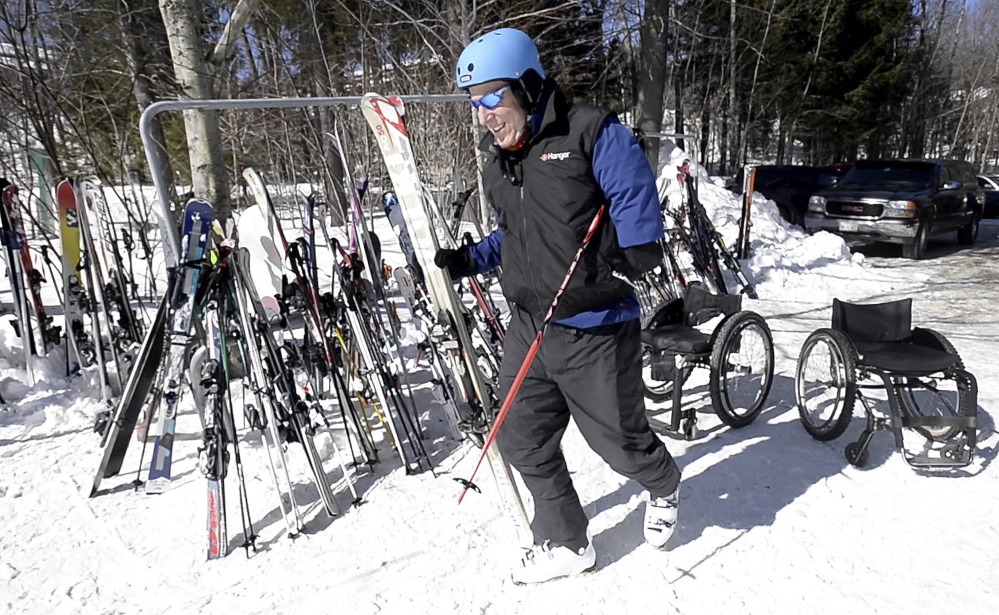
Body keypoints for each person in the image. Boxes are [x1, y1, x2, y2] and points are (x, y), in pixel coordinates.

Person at [436, 28, 682, 584]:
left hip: (593, 326)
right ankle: (566, 541)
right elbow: (516, 235)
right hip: (530, 327)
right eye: (474, 103)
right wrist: (468, 260)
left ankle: (663, 483)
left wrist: (637, 241)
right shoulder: (501, 165)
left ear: (526, 85)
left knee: (618, 444)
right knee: (518, 433)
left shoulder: (589, 131)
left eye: (492, 97)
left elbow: (631, 191)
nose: (484, 115)